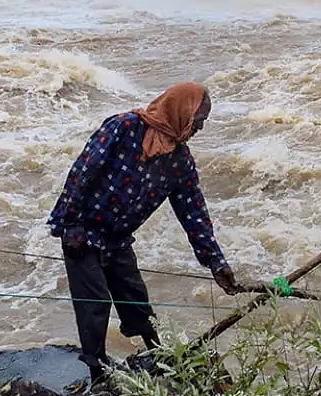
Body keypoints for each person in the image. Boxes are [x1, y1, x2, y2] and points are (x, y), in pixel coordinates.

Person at [47, 81, 240, 379]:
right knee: (95, 302)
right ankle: (97, 372)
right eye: (198, 121)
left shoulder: (180, 162)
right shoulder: (124, 127)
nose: (199, 128)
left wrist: (216, 263)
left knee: (135, 299)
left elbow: (194, 214)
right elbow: (83, 172)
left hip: (118, 240)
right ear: (181, 111)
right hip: (82, 232)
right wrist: (70, 223)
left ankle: (157, 356)